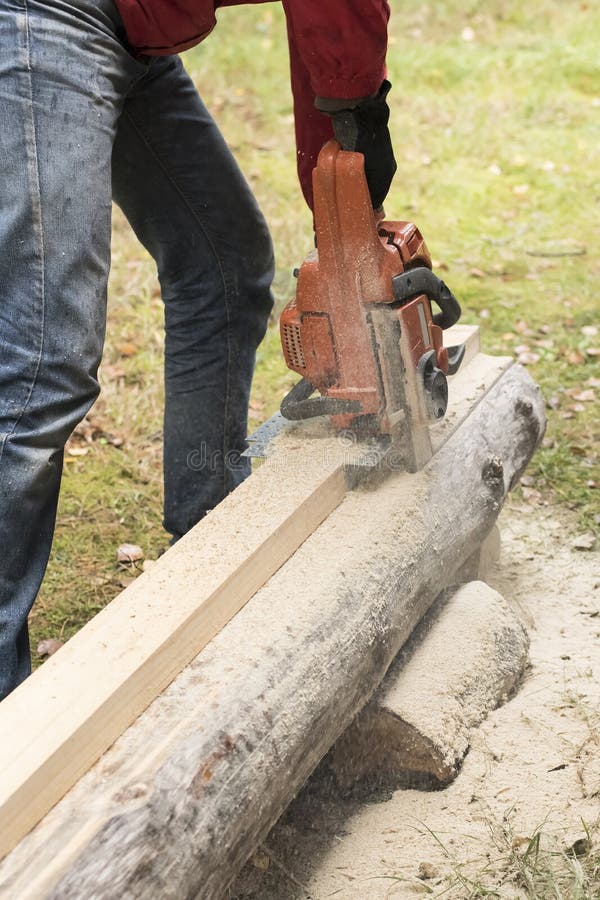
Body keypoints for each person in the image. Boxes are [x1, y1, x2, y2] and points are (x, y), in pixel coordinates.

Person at [0, 0, 395, 700]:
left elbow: (323, 52)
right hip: (45, 14)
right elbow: (337, 25)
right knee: (43, 366)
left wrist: (343, 191)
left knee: (224, 263)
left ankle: (212, 547)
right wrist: (359, 126)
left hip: (128, 28)